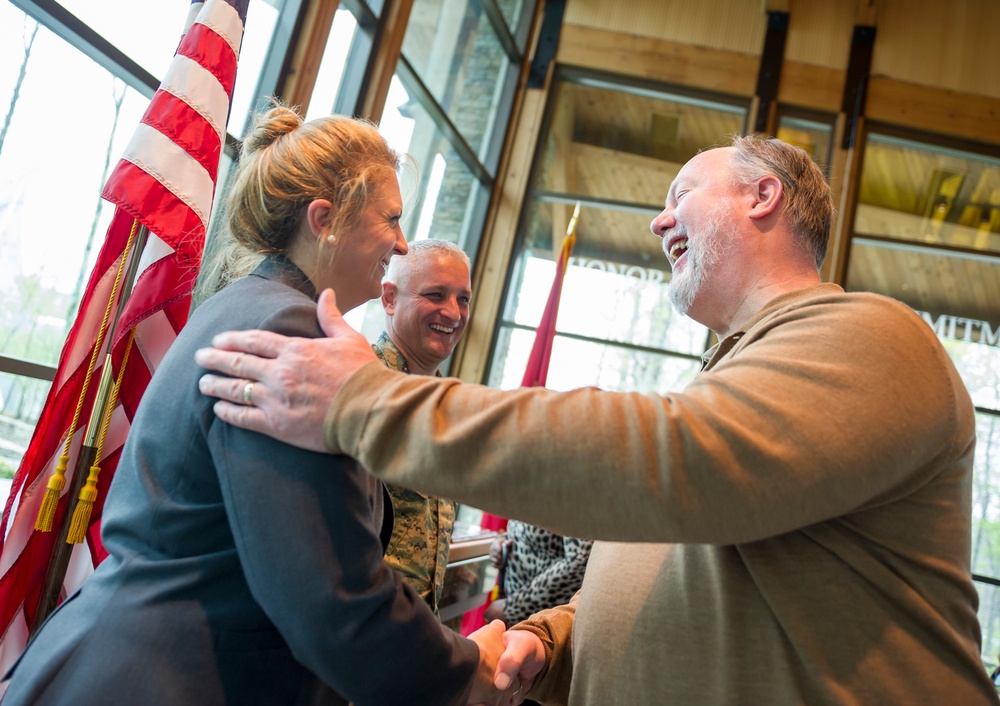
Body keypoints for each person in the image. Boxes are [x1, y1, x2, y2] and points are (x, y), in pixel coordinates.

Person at [195, 135, 999, 704]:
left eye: (680, 194)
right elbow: (689, 570)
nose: (657, 222)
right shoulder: (740, 375)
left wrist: (365, 402)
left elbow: (677, 466)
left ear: (764, 196)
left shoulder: (869, 335)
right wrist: (557, 639)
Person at [1, 102, 517, 706]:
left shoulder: (244, 303)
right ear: (324, 219)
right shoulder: (290, 338)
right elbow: (328, 596)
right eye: (392, 219)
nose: (402, 242)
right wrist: (467, 667)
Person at [375, 238, 472, 614]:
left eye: (463, 299)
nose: (453, 313)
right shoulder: (357, 386)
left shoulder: (449, 405)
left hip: (415, 634)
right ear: (389, 298)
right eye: (435, 295)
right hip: (355, 635)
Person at [484, 521, 592, 628]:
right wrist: (502, 542)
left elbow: (579, 561)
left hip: (546, 620)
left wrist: (513, 608)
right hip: (519, 611)